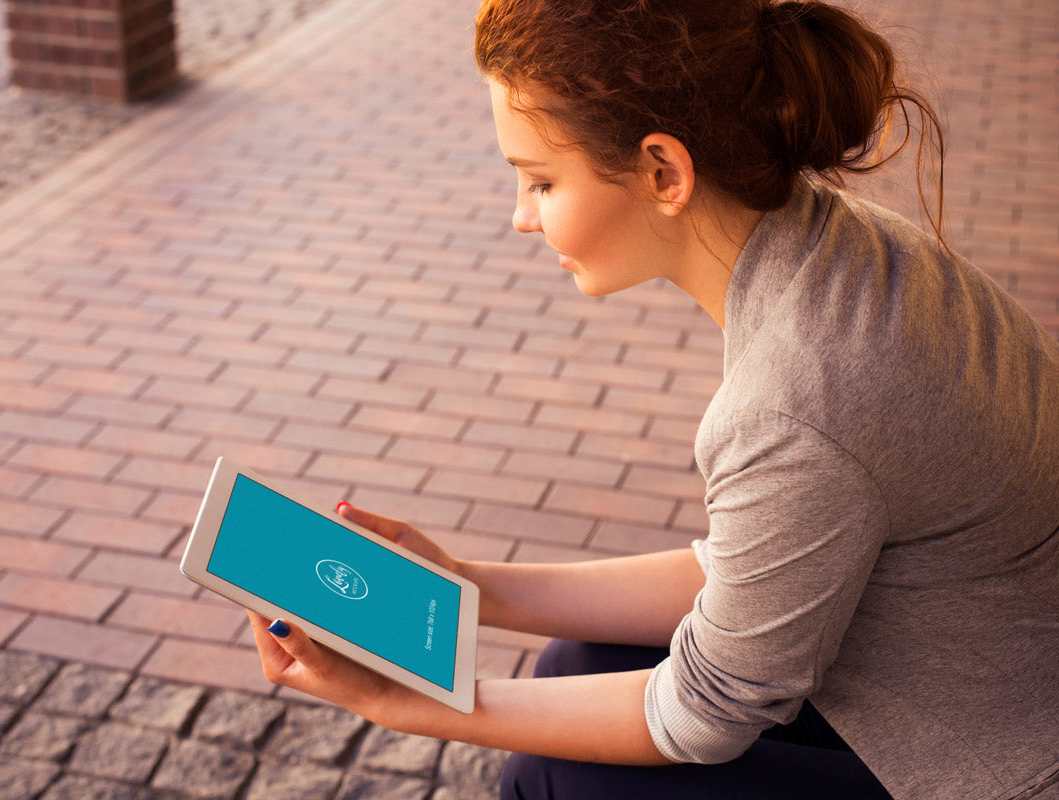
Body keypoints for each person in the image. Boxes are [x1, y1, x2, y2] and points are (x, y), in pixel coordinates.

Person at [247, 1, 1059, 798]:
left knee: (556, 776)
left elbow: (706, 713)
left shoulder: (793, 401)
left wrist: (407, 704)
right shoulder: (842, 248)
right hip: (960, 687)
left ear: (664, 172)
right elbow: (754, 562)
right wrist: (466, 588)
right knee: (578, 660)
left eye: (539, 181)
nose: (521, 218)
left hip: (994, 763)